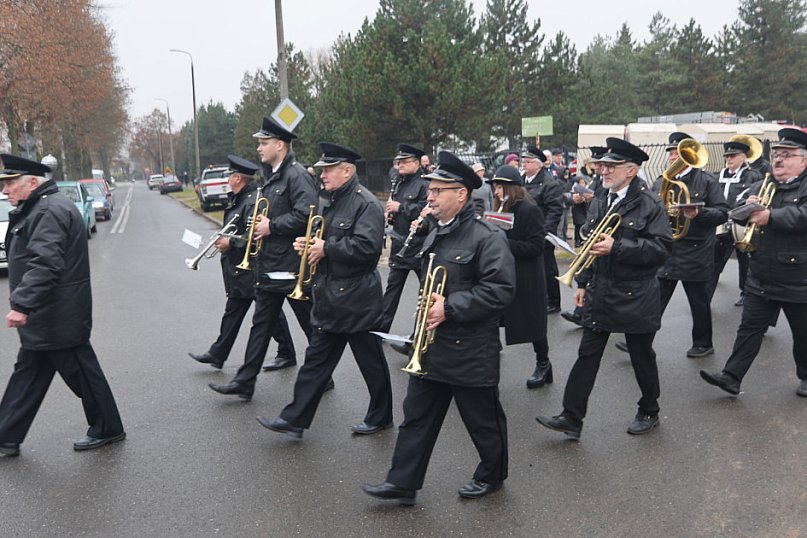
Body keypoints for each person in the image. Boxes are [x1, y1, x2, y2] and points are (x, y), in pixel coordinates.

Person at [362, 151, 515, 504]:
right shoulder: (434, 229)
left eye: (438, 190)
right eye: (430, 190)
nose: (429, 196)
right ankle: (402, 482)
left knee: (483, 422)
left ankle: (492, 474)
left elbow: (501, 290)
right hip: (431, 348)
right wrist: (415, 232)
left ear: (461, 195)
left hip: (470, 348)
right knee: (416, 418)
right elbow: (410, 267)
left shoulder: (487, 237)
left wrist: (452, 306)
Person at [536, 138, 672, 439]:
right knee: (587, 353)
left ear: (632, 170)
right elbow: (591, 247)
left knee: (641, 356)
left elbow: (661, 249)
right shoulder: (600, 198)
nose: (603, 170)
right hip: (602, 291)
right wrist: (582, 282)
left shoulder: (651, 203)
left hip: (636, 294)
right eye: (603, 166)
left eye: (612, 167)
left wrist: (618, 246)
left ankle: (649, 409)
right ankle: (572, 416)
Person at [256, 142, 393, 439]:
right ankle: (294, 418)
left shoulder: (365, 203)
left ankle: (381, 415)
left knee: (371, 362)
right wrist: (310, 248)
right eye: (322, 170)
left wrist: (326, 248)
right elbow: (322, 240)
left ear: (347, 170)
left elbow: (369, 251)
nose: (322, 175)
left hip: (357, 298)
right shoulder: (328, 200)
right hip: (331, 296)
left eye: (328, 170)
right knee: (315, 363)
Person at [0, 154, 125, 457]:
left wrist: (23, 305)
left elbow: (45, 264)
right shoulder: (38, 207)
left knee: (82, 373)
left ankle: (108, 428)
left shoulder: (48, 210)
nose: (4, 190)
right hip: (49, 315)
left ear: (32, 182)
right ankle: (5, 435)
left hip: (56, 315)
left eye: (9, 183)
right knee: (28, 374)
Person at [208, 117, 320, 400]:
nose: (259, 148)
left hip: (291, 267)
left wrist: (272, 225)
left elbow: (307, 214)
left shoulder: (295, 175)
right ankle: (245, 381)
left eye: (264, 142)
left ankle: (322, 373)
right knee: (261, 324)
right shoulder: (273, 176)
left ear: (280, 144)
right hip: (270, 265)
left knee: (309, 322)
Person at [700, 128, 807, 398]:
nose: (779, 160)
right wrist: (747, 206)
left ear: (803, 161)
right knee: (749, 329)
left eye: (787, 155)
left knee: (803, 335)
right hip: (762, 273)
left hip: (798, 276)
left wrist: (771, 216)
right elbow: (734, 210)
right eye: (777, 155)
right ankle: (732, 377)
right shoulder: (763, 182)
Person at [614, 132, 729, 358]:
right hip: (667, 249)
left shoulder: (706, 180)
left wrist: (699, 213)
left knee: (698, 301)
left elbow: (723, 213)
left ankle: (703, 343)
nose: (672, 156)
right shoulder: (660, 181)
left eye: (677, 152)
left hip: (695, 249)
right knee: (655, 299)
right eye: (670, 152)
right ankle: (640, 340)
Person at [188, 155, 297, 371]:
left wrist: (231, 244)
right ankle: (218, 353)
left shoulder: (252, 200)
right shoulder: (239, 198)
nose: (227, 178)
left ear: (238, 178)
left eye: (229, 175)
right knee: (236, 310)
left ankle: (286, 352)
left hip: (251, 267)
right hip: (238, 269)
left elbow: (253, 233)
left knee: (268, 313)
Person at [488, 166, 550, 388]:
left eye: (499, 187)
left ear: (510, 188)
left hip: (526, 276)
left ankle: (543, 363)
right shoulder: (501, 209)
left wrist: (503, 244)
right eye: (494, 187)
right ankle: (487, 361)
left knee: (533, 324)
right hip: (502, 274)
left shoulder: (529, 210)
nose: (495, 192)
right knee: (491, 317)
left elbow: (536, 246)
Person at [705, 140, 762, 306]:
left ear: (743, 158)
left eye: (733, 155)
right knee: (714, 261)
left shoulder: (753, 176)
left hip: (741, 224)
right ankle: (706, 295)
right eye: (727, 156)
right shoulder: (717, 175)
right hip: (721, 224)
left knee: (745, 260)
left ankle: (746, 292)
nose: (729, 159)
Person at [380, 144, 429, 333]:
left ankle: (421, 332)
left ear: (416, 163)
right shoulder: (398, 182)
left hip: (419, 246)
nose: (399, 165)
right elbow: (398, 209)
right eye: (398, 161)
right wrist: (391, 216)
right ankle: (381, 329)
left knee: (425, 292)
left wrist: (401, 208)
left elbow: (425, 211)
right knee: (392, 290)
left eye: (404, 161)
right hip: (400, 244)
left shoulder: (424, 184)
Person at [561, 147, 607, 327]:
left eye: (598, 164)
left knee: (593, 274)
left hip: (602, 233)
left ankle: (585, 313)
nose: (595, 167)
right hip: (592, 229)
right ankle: (581, 312)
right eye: (594, 163)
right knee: (587, 272)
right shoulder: (597, 180)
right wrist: (579, 198)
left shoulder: (606, 182)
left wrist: (590, 197)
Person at [521, 145, 564, 314]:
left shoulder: (549, 183)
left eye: (527, 161)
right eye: (523, 161)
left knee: (547, 268)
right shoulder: (522, 180)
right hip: (525, 233)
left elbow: (554, 210)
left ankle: (553, 301)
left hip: (542, 234)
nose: (523, 164)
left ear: (538, 165)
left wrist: (544, 232)